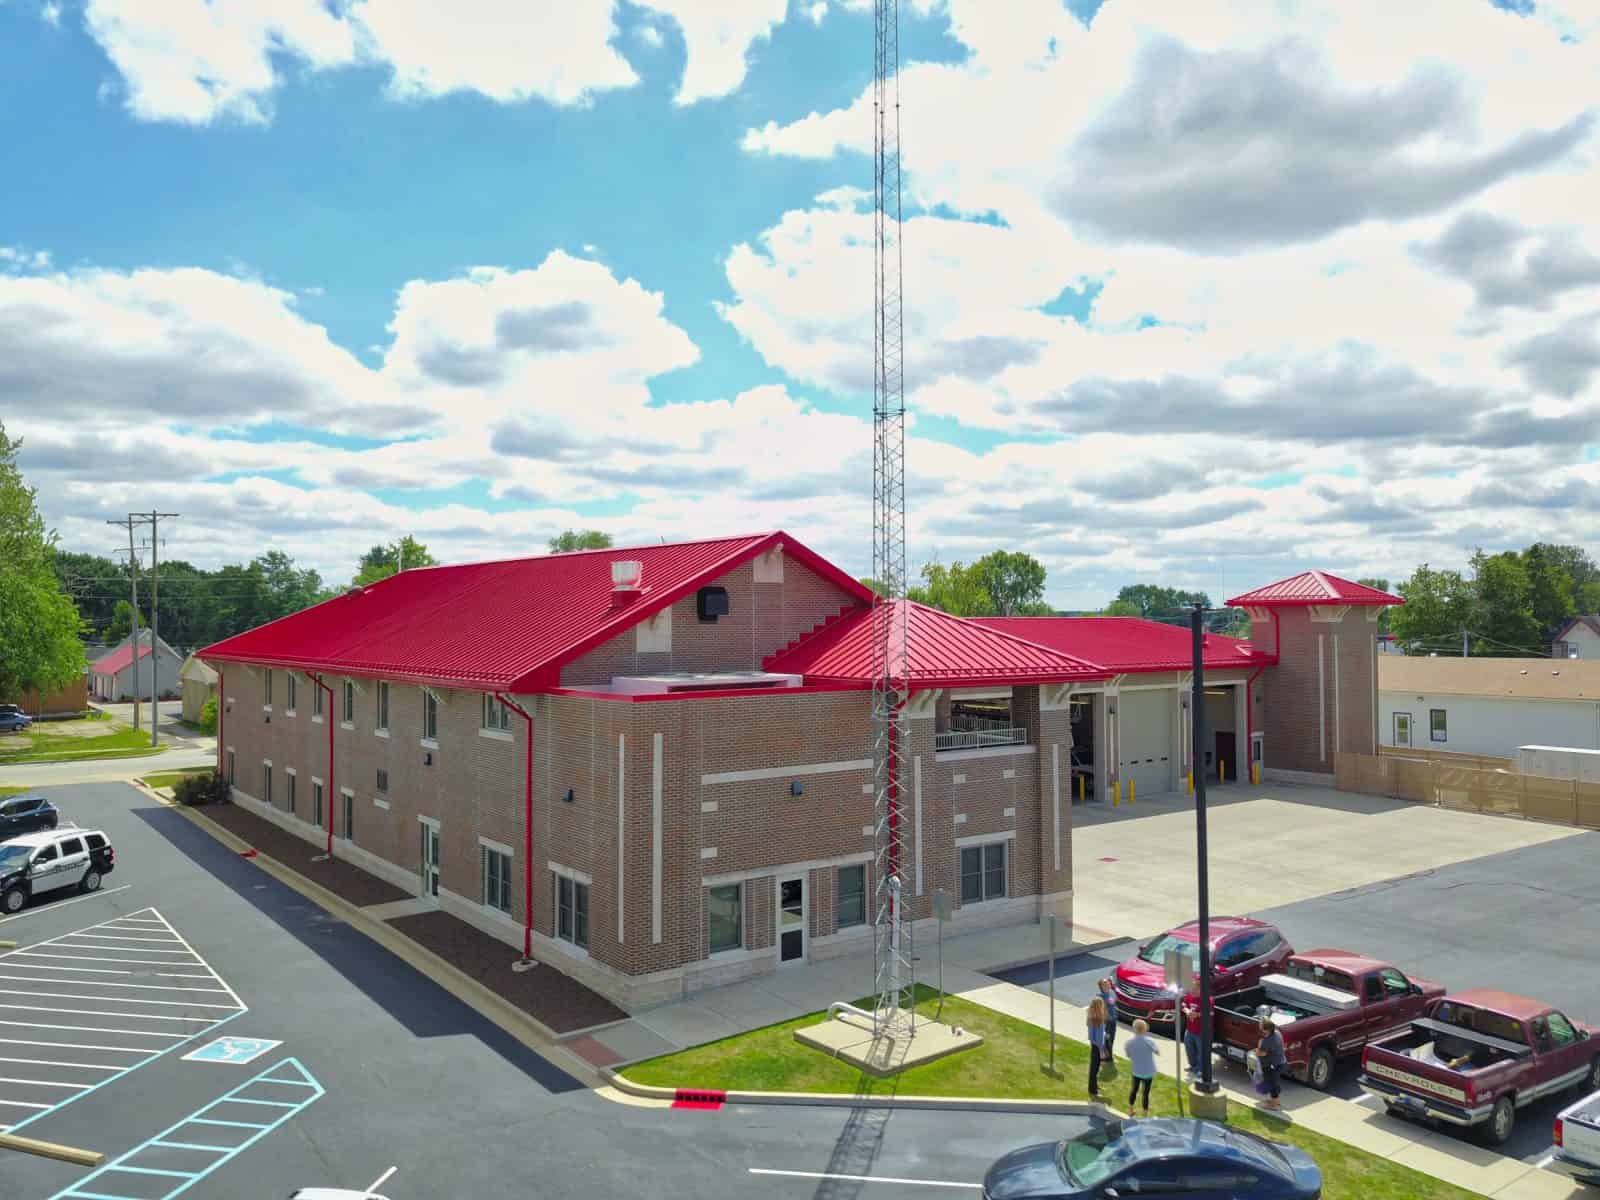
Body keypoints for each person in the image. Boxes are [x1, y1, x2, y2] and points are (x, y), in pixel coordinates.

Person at [1125, 1018, 1158, 1116]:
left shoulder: (1129, 1042)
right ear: (1145, 1029)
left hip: (1136, 1071)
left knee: (1134, 1090)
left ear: (1134, 1028)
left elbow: (1128, 1055)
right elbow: (1157, 1052)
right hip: (1148, 1072)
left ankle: (1131, 1110)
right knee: (1145, 1093)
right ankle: (1145, 1113)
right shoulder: (1149, 1041)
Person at [1257, 1017, 1286, 1110]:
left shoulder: (1267, 1040)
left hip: (1273, 1065)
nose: (1259, 1025)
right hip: (1281, 1062)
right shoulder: (1277, 1033)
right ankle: (1275, 1101)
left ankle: (1275, 1105)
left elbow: (1261, 1053)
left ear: (1266, 1029)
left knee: (1271, 1083)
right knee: (1273, 1082)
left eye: (1261, 1024)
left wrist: (1256, 1049)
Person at [1087, 997, 1111, 1100]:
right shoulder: (1100, 1021)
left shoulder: (1090, 1019)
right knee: (1095, 1069)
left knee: (1094, 1068)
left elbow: (1091, 1037)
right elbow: (1099, 1039)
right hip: (1099, 1048)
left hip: (1094, 1046)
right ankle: (1093, 1090)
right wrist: (1102, 1051)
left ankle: (1094, 1086)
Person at [1098, 977, 1118, 1055]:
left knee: (1112, 1038)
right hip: (1106, 1022)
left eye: (1108, 983)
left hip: (1113, 1020)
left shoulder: (1112, 993)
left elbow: (1114, 1003)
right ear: (1101, 987)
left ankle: (1109, 1053)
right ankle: (1107, 1056)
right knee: (1107, 1038)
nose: (1108, 985)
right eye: (1105, 984)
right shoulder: (1100, 997)